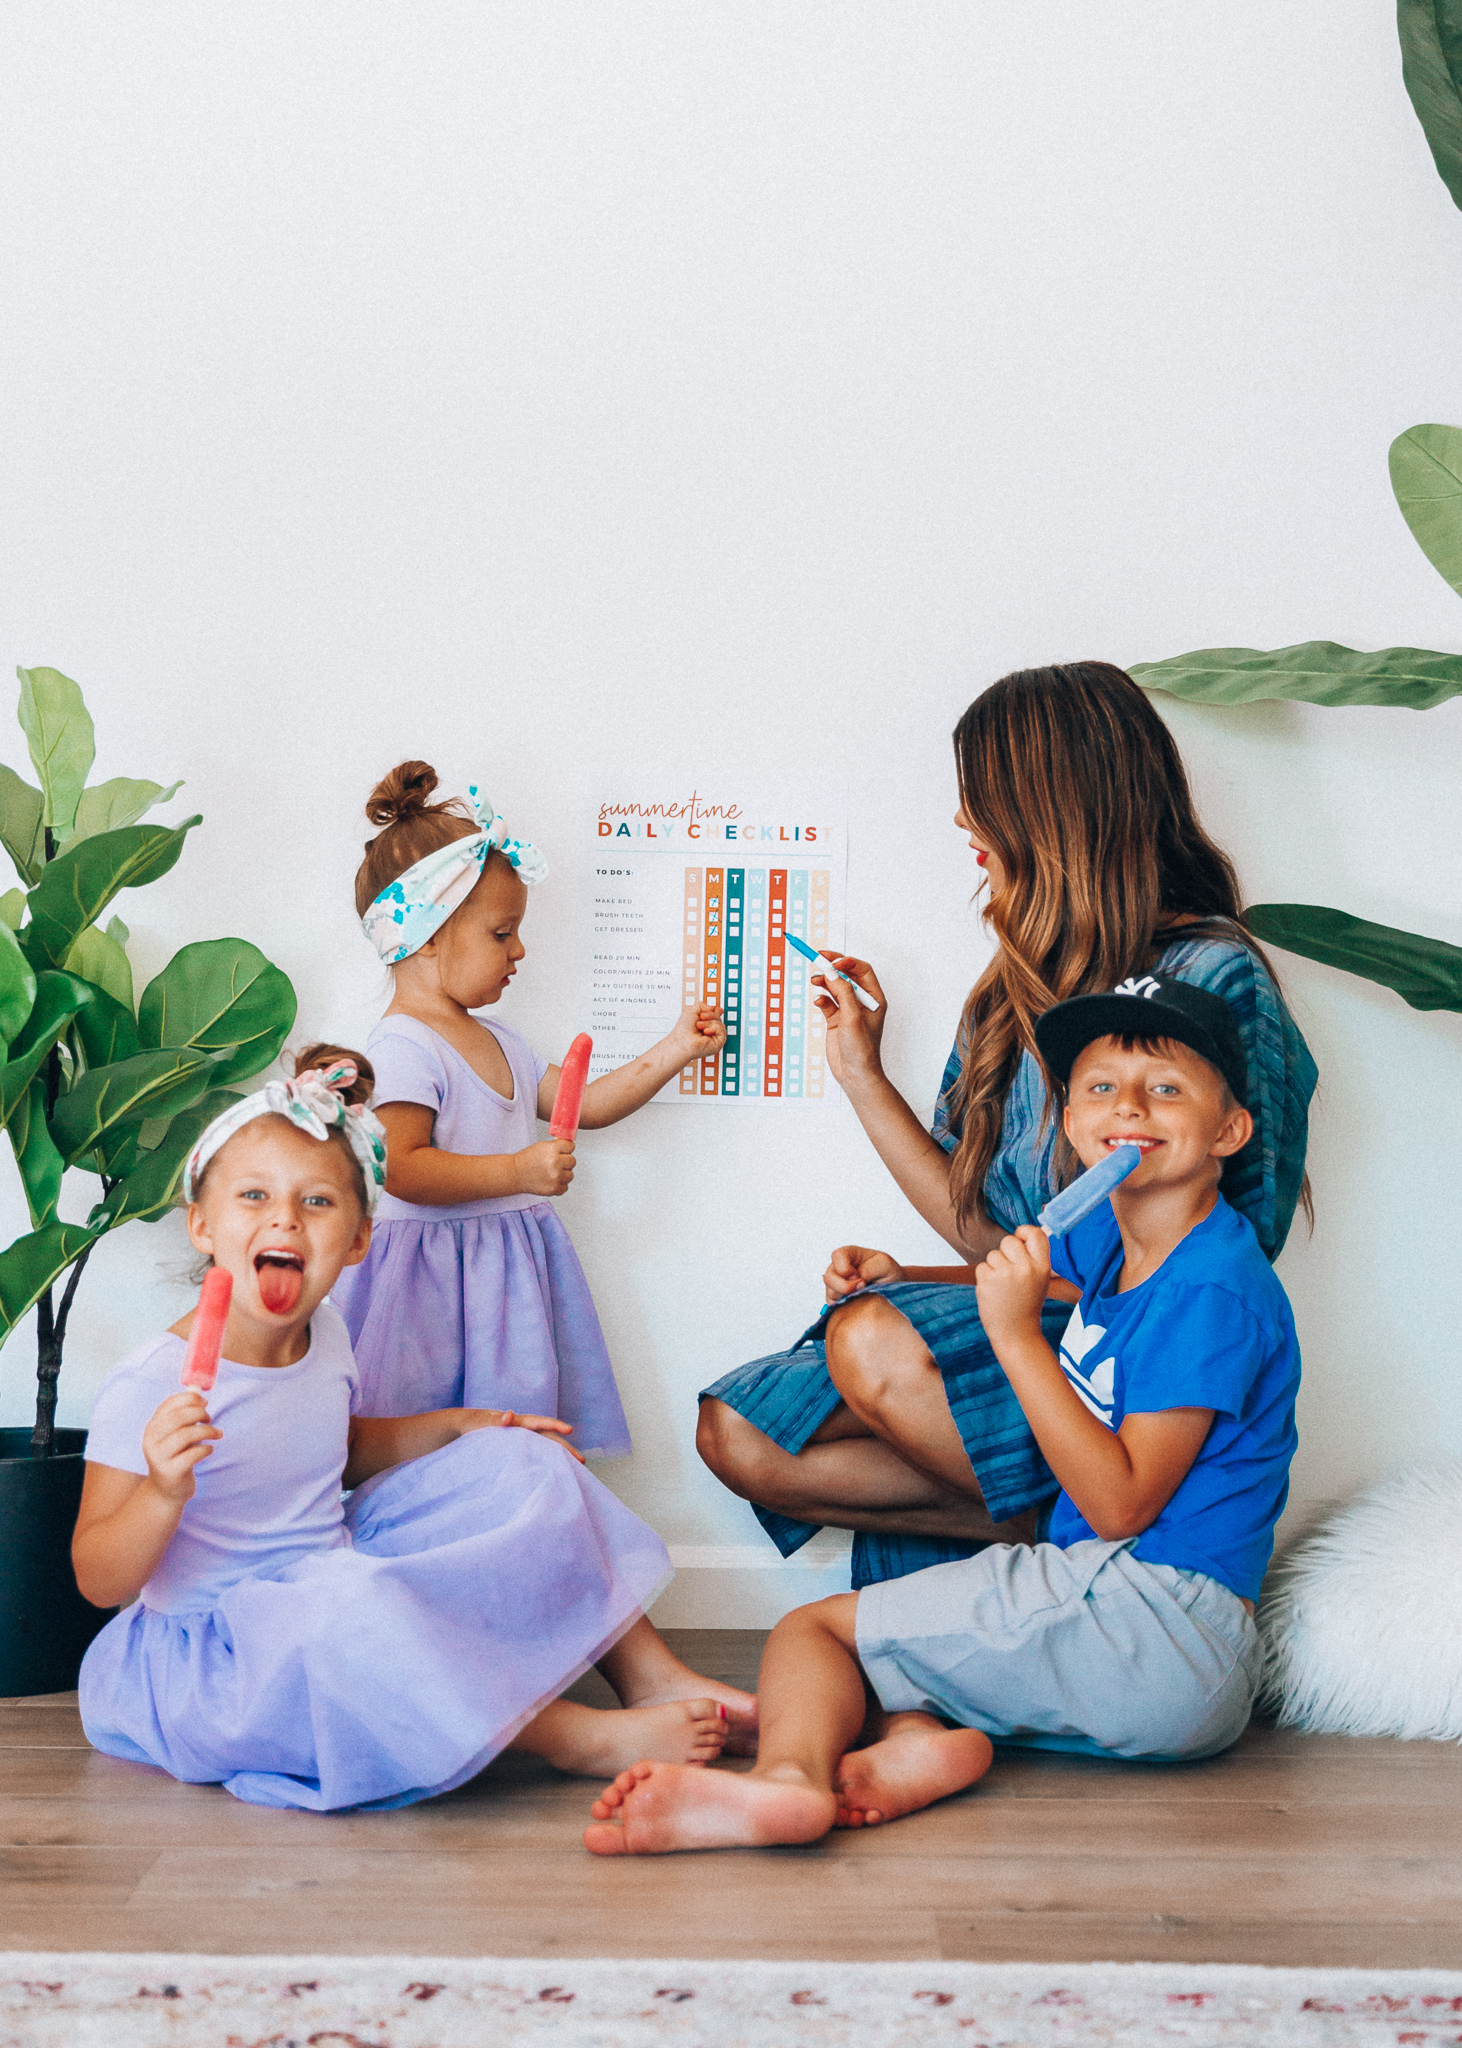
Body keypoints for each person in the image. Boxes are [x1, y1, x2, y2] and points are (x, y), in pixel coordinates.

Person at [585, 977, 1297, 1852]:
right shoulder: (1118, 1231)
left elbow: (1120, 1507)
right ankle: (914, 1750)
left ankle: (787, 1783)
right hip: (1154, 1641)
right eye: (1102, 1088)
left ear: (1229, 1130)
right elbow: (1046, 1279)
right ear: (1072, 1123)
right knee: (906, 1628)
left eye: (1167, 1089)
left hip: (1153, 1620)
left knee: (817, 1635)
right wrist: (909, 1280)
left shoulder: (1213, 1288)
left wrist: (1015, 1339)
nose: (1130, 1108)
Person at [696, 661, 1316, 1589]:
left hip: (1121, 1352)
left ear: (1051, 807)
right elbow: (986, 1228)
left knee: (872, 1340)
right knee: (738, 1434)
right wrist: (860, 1071)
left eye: (978, 798)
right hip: (1026, 1313)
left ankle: (1089, 1526)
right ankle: (1039, 1531)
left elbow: (1219, 1248)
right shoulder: (1010, 988)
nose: (961, 822)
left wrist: (1025, 1307)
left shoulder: (1215, 978)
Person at [73, 1050, 755, 1813]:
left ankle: (648, 1674)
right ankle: (572, 1737)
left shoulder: (326, 1331)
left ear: (360, 1239)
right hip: (220, 1653)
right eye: (254, 1196)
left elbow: (342, 1446)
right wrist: (164, 1491)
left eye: (318, 1203)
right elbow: (99, 1579)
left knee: (526, 1462)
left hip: (332, 1573)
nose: (284, 1218)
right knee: (352, 1608)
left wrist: (466, 1426)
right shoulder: (149, 1383)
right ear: (201, 1225)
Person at [334, 763, 725, 1451]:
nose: (520, 950)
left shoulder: (501, 1042)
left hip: (502, 1281)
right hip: (428, 1286)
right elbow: (400, 1168)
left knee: (512, 1439)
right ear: (426, 938)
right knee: (424, 1441)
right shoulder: (401, 1045)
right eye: (499, 934)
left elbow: (589, 1104)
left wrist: (676, 1048)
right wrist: (517, 1172)